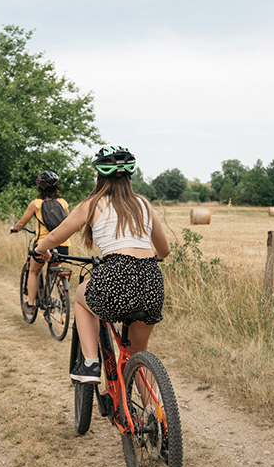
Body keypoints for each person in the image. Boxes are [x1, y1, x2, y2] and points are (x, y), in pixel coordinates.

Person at [32, 145, 170, 384]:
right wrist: (147, 259)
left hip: (115, 274)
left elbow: (55, 237)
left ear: (99, 175)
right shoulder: (144, 204)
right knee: (139, 352)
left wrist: (39, 250)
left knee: (80, 296)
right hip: (151, 280)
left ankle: (90, 362)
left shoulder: (92, 204)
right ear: (129, 176)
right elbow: (164, 251)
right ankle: (151, 412)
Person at [10, 171, 71, 314]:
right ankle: (63, 295)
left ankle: (30, 305)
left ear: (40, 187)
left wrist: (15, 229)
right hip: (63, 245)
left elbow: (22, 222)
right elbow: (68, 222)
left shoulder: (36, 204)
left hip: (43, 245)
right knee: (56, 269)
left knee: (33, 271)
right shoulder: (63, 202)